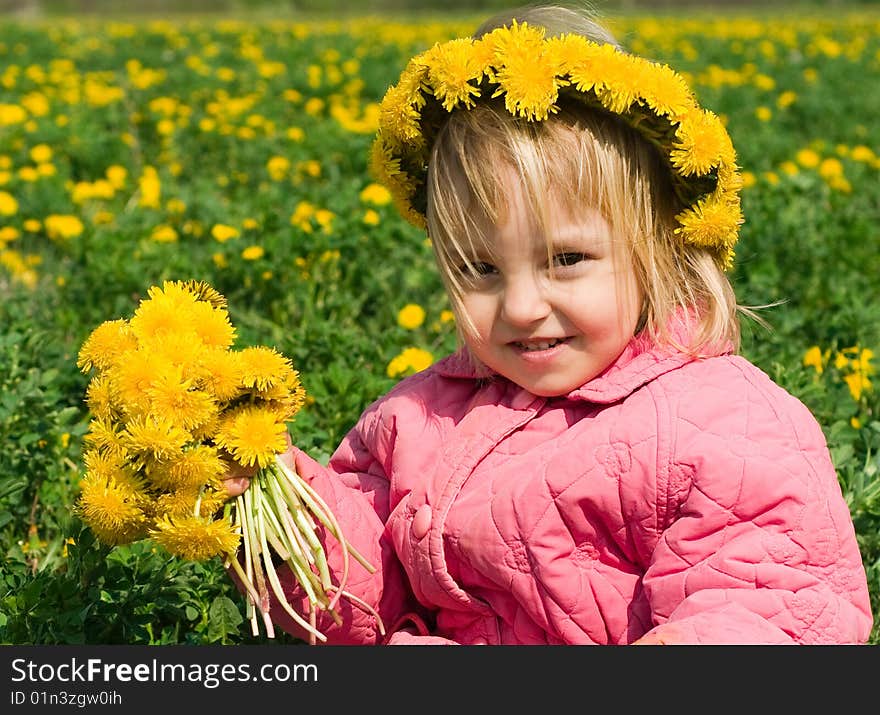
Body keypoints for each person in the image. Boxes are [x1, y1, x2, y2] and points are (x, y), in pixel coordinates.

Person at [224, 3, 873, 645]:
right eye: (480, 268)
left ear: (661, 245)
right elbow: (369, 585)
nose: (521, 307)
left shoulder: (725, 422)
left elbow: (768, 606)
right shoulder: (415, 417)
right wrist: (273, 508)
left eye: (566, 259)